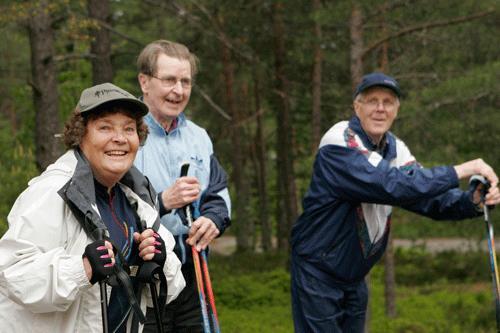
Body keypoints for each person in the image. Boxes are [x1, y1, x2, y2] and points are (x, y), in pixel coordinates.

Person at [290, 72, 500, 332]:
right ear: (357, 107)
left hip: (354, 276)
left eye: (388, 102)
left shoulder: (395, 149)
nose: (380, 108)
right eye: (372, 101)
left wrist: (473, 200)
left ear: (396, 110)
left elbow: (426, 197)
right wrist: (465, 168)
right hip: (318, 273)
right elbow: (392, 185)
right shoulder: (339, 142)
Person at [0, 83, 185, 332]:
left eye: (129, 128)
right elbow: (12, 274)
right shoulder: (53, 192)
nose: (119, 138)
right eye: (105, 127)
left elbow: (171, 290)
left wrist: (161, 263)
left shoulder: (138, 200)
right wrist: (82, 268)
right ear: (80, 135)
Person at [134, 40, 231, 332]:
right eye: (169, 80)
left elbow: (217, 191)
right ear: (145, 82)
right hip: (143, 278)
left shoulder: (199, 136)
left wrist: (214, 219)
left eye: (185, 81)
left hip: (193, 272)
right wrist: (163, 201)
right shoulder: (126, 134)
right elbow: (112, 205)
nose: (178, 90)